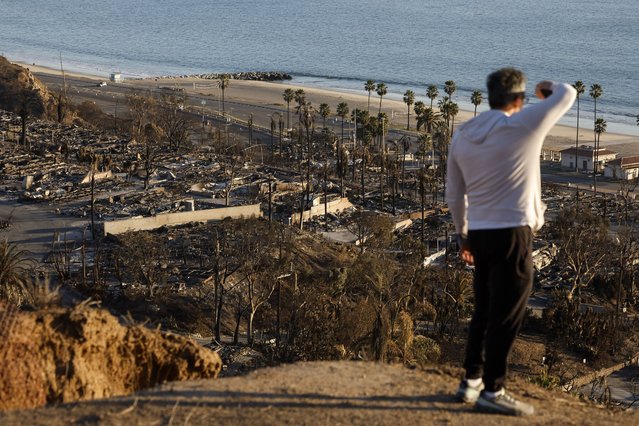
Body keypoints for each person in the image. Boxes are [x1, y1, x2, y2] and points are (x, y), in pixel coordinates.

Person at [446, 68, 576, 416]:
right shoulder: (524, 124)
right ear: (518, 100)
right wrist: (543, 88)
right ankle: (494, 389)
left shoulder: (463, 134)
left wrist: (463, 236)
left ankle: (471, 381)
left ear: (489, 97)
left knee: (484, 310)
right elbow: (567, 93)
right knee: (508, 314)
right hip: (513, 233)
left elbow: (455, 196)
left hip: (480, 234)